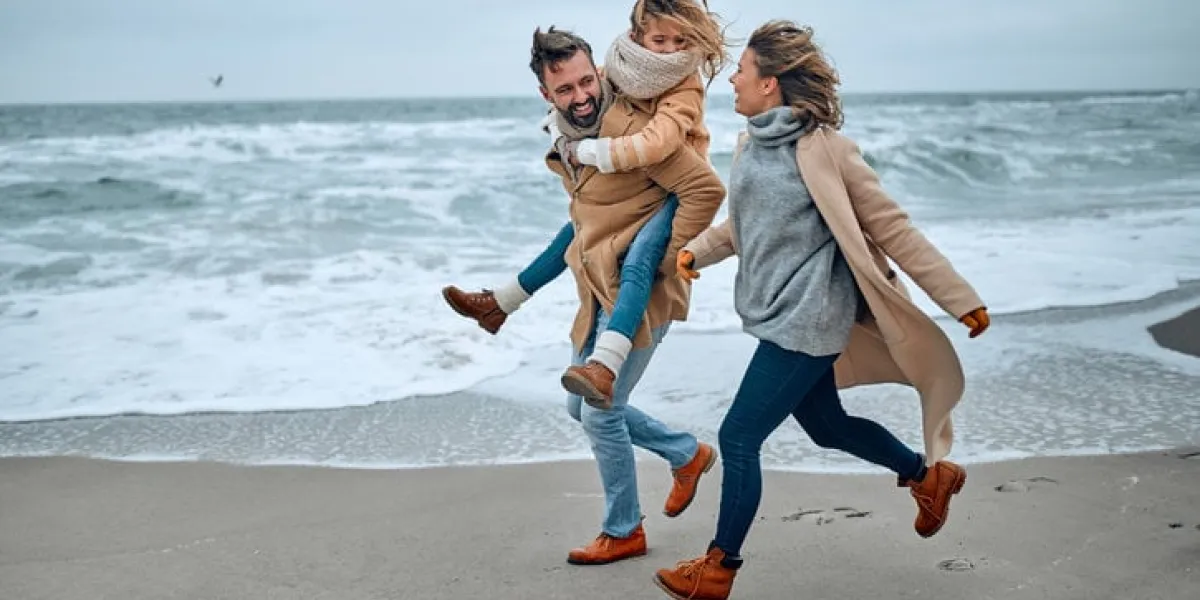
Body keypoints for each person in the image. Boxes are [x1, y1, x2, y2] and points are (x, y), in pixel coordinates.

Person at [651, 20, 992, 599]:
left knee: (738, 436)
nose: (732, 79)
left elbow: (892, 227)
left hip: (811, 318)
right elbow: (745, 223)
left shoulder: (826, 150)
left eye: (742, 70)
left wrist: (959, 299)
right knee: (827, 426)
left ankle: (718, 568)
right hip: (774, 312)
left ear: (770, 83)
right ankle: (927, 477)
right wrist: (697, 251)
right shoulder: (751, 144)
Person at [446, 26, 728, 566]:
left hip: (641, 295)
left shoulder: (632, 133)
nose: (580, 97)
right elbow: (584, 222)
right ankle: (685, 454)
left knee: (600, 412)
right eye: (565, 89)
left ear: (599, 72)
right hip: (599, 289)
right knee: (579, 406)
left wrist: (665, 259)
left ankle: (624, 530)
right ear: (545, 94)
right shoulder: (569, 137)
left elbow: (706, 189)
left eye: (585, 82)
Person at [442, 0, 727, 407]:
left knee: (640, 259)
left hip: (672, 186)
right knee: (575, 228)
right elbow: (576, 107)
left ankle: (605, 364)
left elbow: (658, 144)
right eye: (659, 40)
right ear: (637, 37)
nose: (669, 50)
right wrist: (562, 137)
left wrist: (590, 152)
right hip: (635, 181)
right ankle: (501, 302)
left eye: (679, 41)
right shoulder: (622, 70)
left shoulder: (684, 83)